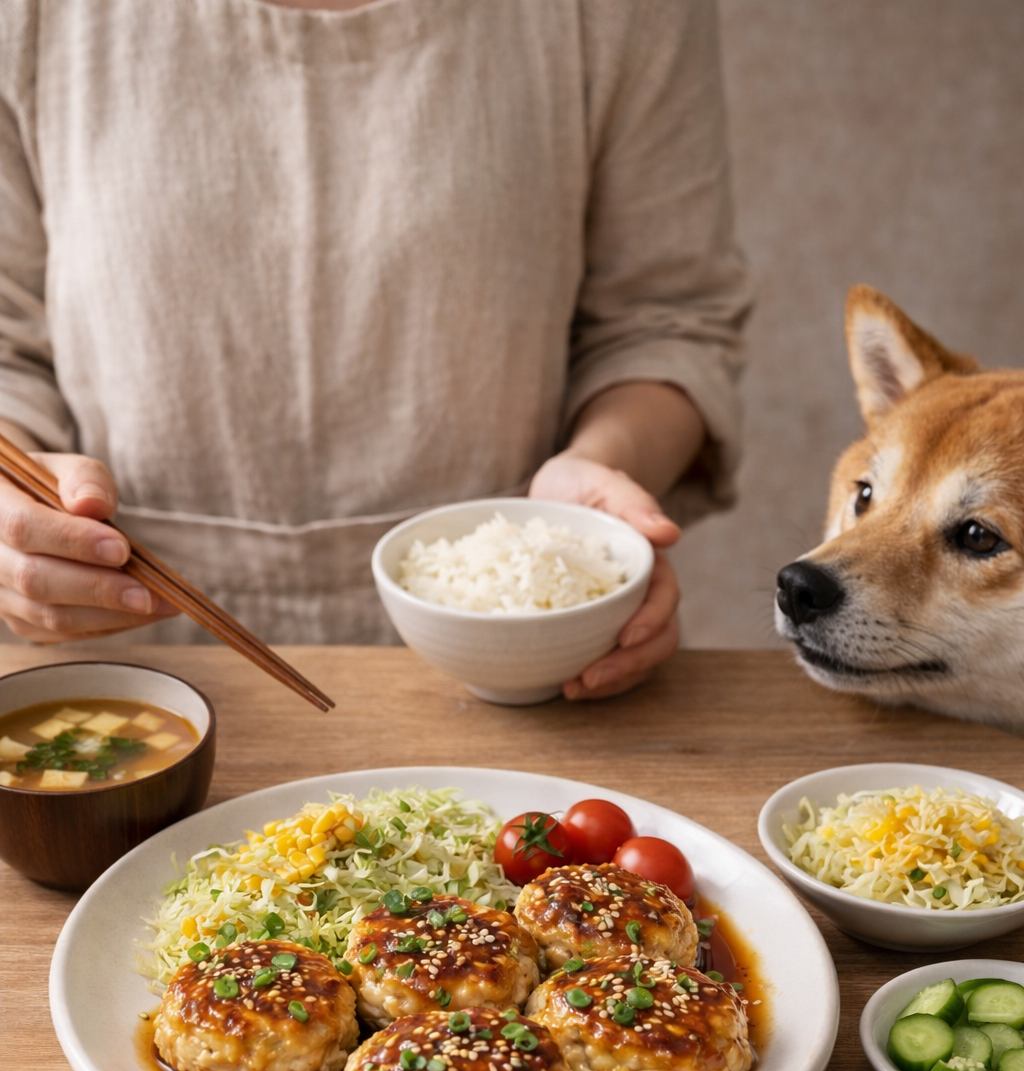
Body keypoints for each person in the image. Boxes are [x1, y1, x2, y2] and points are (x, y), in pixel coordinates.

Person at [0, 0, 749, 700]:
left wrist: (597, 490)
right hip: (121, 674)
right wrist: (18, 517)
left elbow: (665, 318)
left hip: (521, 659)